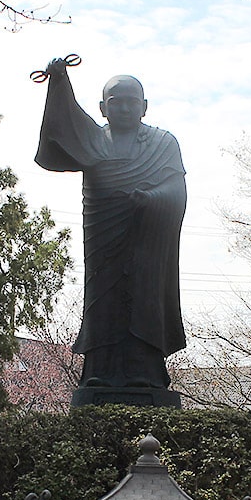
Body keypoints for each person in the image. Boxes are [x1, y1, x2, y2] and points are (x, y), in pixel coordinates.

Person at [35, 58, 186, 391]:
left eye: (133, 102)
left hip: (146, 237)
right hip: (103, 236)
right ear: (103, 108)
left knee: (145, 298)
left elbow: (177, 190)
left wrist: (151, 198)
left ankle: (145, 373)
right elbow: (63, 127)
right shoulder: (93, 141)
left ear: (145, 106)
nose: (125, 108)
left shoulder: (164, 144)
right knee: (103, 300)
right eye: (116, 102)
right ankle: (99, 372)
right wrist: (58, 83)